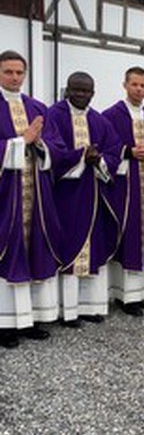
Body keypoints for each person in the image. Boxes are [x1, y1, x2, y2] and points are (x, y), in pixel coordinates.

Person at [0, 50, 63, 348]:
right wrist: (18, 143)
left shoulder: (37, 108)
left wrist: (41, 145)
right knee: (8, 252)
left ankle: (31, 318)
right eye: (8, 72)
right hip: (6, 196)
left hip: (36, 194)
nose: (14, 77)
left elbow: (56, 147)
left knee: (35, 249)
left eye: (19, 72)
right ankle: (5, 324)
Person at [48, 71, 121, 326]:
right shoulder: (53, 116)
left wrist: (99, 159)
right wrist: (80, 156)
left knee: (94, 250)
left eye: (86, 91)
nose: (81, 94)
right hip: (64, 196)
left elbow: (114, 151)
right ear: (67, 90)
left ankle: (91, 307)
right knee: (67, 247)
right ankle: (67, 312)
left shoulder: (99, 121)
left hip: (93, 195)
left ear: (93, 93)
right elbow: (50, 153)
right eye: (76, 90)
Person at [102, 67, 144, 316]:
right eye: (134, 84)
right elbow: (104, 147)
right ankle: (123, 294)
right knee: (126, 235)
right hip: (124, 187)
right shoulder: (110, 116)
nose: (138, 89)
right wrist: (128, 152)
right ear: (125, 85)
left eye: (142, 85)